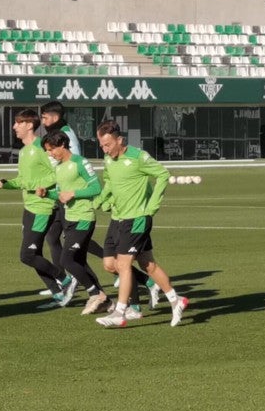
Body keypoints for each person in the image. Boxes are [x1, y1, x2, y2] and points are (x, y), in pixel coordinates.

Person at [93, 120, 188, 328]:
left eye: (108, 144)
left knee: (123, 264)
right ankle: (175, 299)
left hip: (137, 218)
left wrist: (152, 206)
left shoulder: (138, 157)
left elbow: (163, 175)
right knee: (143, 265)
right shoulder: (108, 160)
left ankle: (121, 311)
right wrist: (103, 200)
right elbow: (110, 182)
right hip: (118, 218)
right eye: (101, 145)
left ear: (120, 140)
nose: (104, 149)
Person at [0, 108, 64, 304]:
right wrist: (7, 183)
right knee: (34, 253)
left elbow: (56, 174)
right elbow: (22, 180)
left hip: (42, 208)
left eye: (18, 122)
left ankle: (65, 279)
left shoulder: (42, 148)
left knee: (27, 255)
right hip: (29, 208)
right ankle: (57, 293)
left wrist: (34, 185)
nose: (14, 126)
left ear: (29, 125)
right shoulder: (24, 151)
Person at [41, 129, 110, 314]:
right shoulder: (59, 167)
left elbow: (96, 187)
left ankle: (95, 293)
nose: (50, 154)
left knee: (66, 260)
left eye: (51, 149)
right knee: (78, 261)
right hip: (70, 218)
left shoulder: (80, 162)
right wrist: (47, 193)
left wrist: (74, 193)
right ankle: (105, 301)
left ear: (62, 145)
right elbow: (60, 193)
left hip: (84, 218)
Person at [39, 100, 80, 291]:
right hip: (58, 194)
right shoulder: (55, 134)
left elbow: (74, 161)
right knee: (53, 237)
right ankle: (63, 280)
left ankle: (115, 263)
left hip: (67, 195)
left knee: (77, 239)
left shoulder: (66, 135)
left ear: (54, 117)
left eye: (44, 117)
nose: (43, 120)